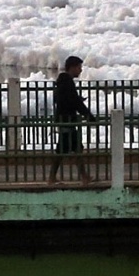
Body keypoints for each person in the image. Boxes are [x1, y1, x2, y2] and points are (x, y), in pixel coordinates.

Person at [49, 55, 93, 185]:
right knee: (64, 148)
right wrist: (87, 114)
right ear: (72, 67)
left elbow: (68, 99)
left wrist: (78, 101)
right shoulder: (67, 82)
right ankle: (52, 178)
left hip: (66, 120)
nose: (80, 70)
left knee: (75, 147)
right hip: (67, 120)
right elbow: (72, 101)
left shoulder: (63, 81)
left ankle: (84, 177)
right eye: (79, 67)